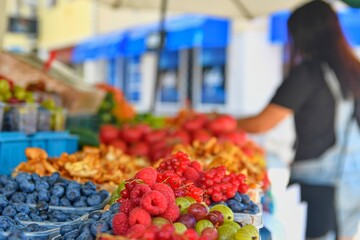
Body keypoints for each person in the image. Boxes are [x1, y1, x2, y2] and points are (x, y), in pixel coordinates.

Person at [237, 1, 360, 240]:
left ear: (303, 35)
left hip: (318, 181)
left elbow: (263, 123)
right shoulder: (352, 70)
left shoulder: (308, 72)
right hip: (352, 179)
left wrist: (219, 121)